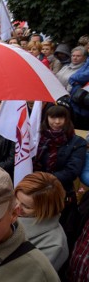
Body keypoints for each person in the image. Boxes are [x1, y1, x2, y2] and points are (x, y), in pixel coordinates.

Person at [34, 105, 86, 248]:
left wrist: (45, 179)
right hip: (37, 193)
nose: (56, 121)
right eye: (53, 117)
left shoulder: (77, 142)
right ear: (47, 118)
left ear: (66, 119)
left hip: (61, 195)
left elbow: (72, 170)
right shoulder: (37, 138)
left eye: (60, 117)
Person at [15, 172, 69, 271]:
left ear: (47, 210)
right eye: (16, 199)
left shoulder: (53, 244)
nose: (16, 207)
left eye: (26, 206)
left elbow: (28, 278)